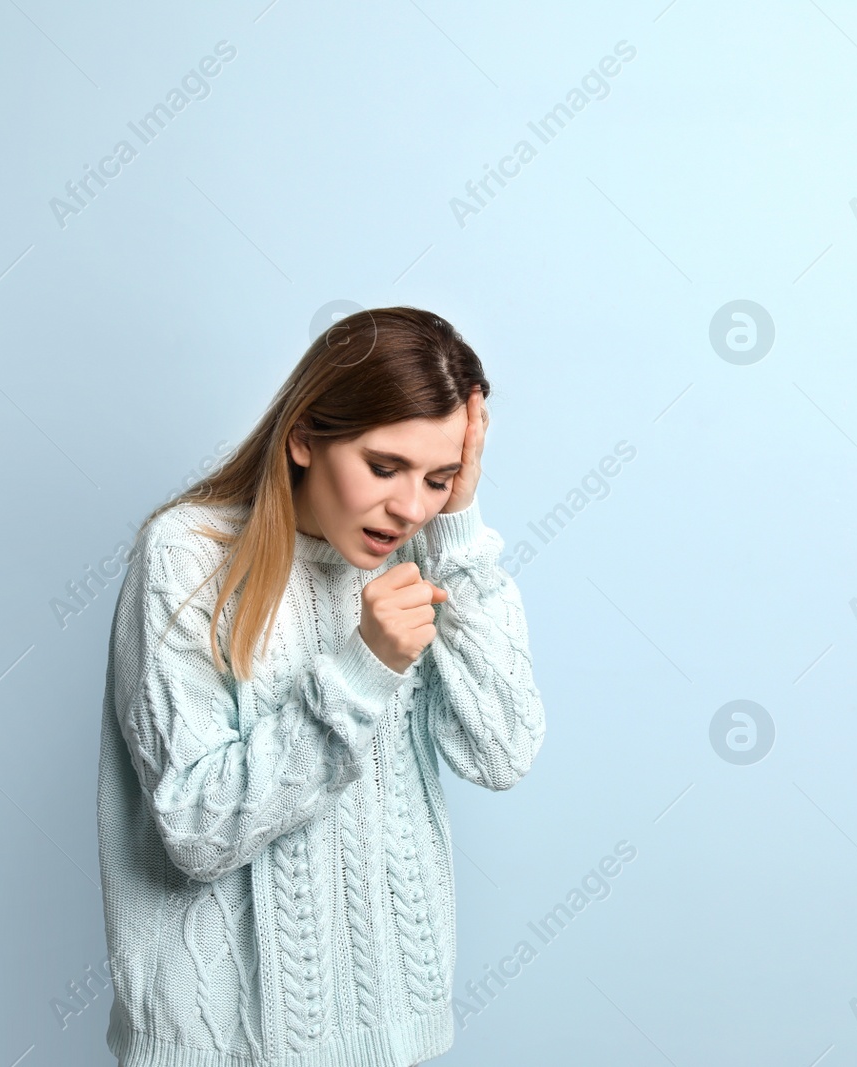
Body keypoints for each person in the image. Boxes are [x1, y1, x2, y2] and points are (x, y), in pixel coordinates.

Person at [95, 307, 546, 1066]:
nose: (409, 508)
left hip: (392, 1036)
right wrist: (363, 666)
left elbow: (501, 752)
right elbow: (196, 830)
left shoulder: (419, 553)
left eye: (438, 478)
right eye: (384, 466)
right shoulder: (187, 555)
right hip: (224, 1045)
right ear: (304, 436)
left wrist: (458, 530)